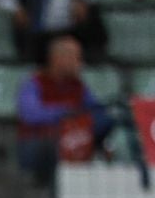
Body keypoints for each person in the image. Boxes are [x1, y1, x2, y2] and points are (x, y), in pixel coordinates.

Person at [15, 35, 112, 187]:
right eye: (76, 57)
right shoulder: (35, 82)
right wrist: (66, 112)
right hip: (40, 143)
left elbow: (95, 110)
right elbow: (30, 115)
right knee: (52, 149)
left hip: (73, 141)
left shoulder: (78, 86)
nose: (80, 63)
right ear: (58, 59)